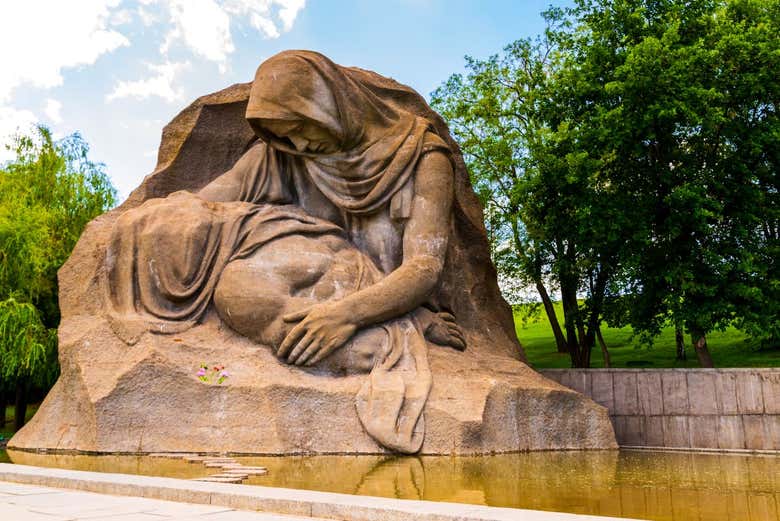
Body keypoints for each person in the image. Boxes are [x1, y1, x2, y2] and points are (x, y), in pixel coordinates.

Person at [104, 50, 464, 453]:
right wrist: (152, 224)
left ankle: (387, 332)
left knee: (241, 289)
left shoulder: (423, 158)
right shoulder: (283, 155)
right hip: (303, 273)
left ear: (329, 104)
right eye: (284, 135)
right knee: (237, 290)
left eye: (301, 127)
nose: (298, 143)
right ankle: (332, 341)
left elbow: (424, 267)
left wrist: (345, 316)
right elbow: (205, 206)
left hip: (362, 288)